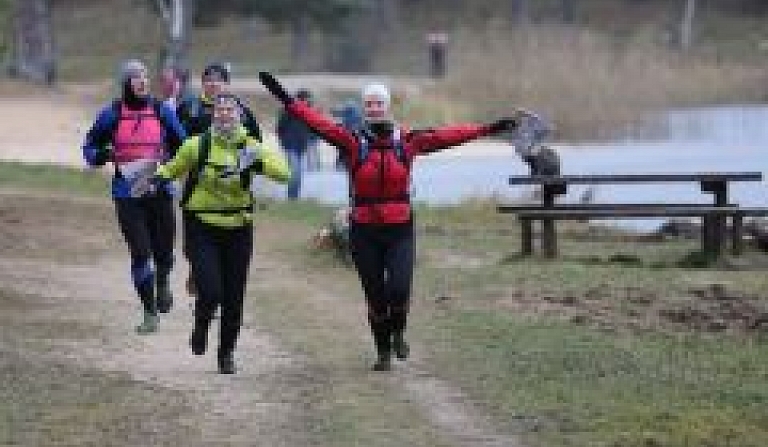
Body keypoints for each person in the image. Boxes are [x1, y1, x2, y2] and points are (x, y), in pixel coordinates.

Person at [258, 71, 522, 371]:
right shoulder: (351, 140)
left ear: (387, 107)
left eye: (379, 103)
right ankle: (383, 352)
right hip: (363, 230)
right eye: (369, 104)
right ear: (364, 108)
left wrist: (488, 129)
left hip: (399, 229)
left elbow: (448, 136)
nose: (374, 108)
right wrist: (285, 99)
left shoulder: (407, 141)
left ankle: (398, 332)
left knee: (398, 290)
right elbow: (317, 122)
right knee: (375, 297)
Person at [154, 92, 291, 374]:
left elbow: (284, 173)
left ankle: (226, 353)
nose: (225, 114)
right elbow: (172, 169)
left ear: (239, 116)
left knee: (234, 296)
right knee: (211, 290)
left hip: (239, 228)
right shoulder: (197, 145)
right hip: (202, 226)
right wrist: (154, 178)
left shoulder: (251, 146)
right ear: (213, 115)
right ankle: (201, 325)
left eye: (230, 110)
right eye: (220, 110)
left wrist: (256, 163)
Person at [82, 59, 187, 334]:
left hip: (159, 189)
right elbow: (89, 147)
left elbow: (184, 145)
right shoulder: (112, 113)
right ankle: (150, 312)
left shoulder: (161, 110)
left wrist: (169, 164)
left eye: (145, 77)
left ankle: (162, 281)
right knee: (140, 252)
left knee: (164, 252)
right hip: (127, 194)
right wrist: (103, 155)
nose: (142, 81)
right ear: (126, 83)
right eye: (135, 77)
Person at [175, 61, 262, 296]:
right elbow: (172, 140)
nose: (213, 84)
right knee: (193, 245)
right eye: (208, 80)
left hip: (232, 187)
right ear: (202, 83)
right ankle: (198, 270)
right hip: (195, 184)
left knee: (226, 244)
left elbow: (256, 146)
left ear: (227, 84)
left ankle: (212, 280)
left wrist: (240, 168)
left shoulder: (243, 112)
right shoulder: (189, 108)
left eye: (218, 80)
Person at [276, 88, 317, 199]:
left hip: (301, 147)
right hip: (290, 146)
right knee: (295, 172)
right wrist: (284, 143)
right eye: (308, 99)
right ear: (301, 99)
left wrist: (311, 142)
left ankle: (294, 197)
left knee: (298, 174)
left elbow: (312, 129)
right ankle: (291, 197)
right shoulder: (288, 110)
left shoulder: (309, 112)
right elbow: (280, 128)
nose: (309, 102)